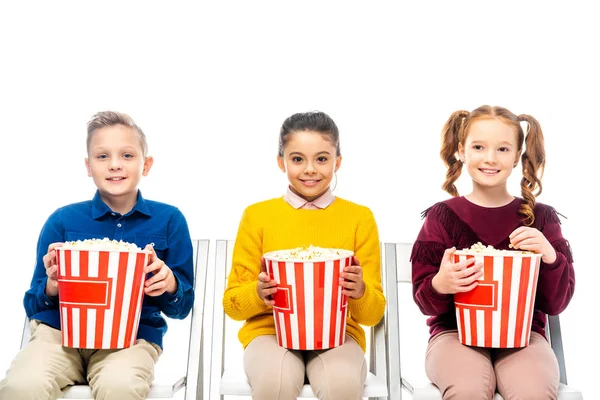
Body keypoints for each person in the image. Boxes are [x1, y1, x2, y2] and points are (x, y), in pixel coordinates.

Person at [0, 111, 195, 400]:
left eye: (127, 155)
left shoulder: (169, 220)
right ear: (88, 165)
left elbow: (182, 306)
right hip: (58, 335)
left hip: (131, 339)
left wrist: (169, 283)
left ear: (147, 164)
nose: (115, 165)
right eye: (102, 156)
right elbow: (32, 302)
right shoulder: (63, 221)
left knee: (121, 387)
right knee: (21, 386)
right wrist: (52, 285)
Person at [411, 105, 575, 399]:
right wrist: (441, 284)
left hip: (524, 336)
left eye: (502, 149)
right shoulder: (441, 217)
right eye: (478, 147)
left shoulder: (541, 219)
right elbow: (424, 301)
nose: (490, 158)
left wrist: (549, 256)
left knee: (532, 390)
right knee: (468, 388)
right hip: (454, 336)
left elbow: (556, 303)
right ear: (461, 151)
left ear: (517, 157)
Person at [223, 111, 385, 400]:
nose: (310, 169)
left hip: (339, 335)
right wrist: (258, 292)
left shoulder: (359, 218)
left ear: (338, 161)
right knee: (277, 382)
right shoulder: (258, 216)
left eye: (322, 159)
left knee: (342, 385)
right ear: (280, 161)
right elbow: (233, 305)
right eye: (297, 159)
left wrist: (359, 290)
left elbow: (373, 315)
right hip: (268, 332)